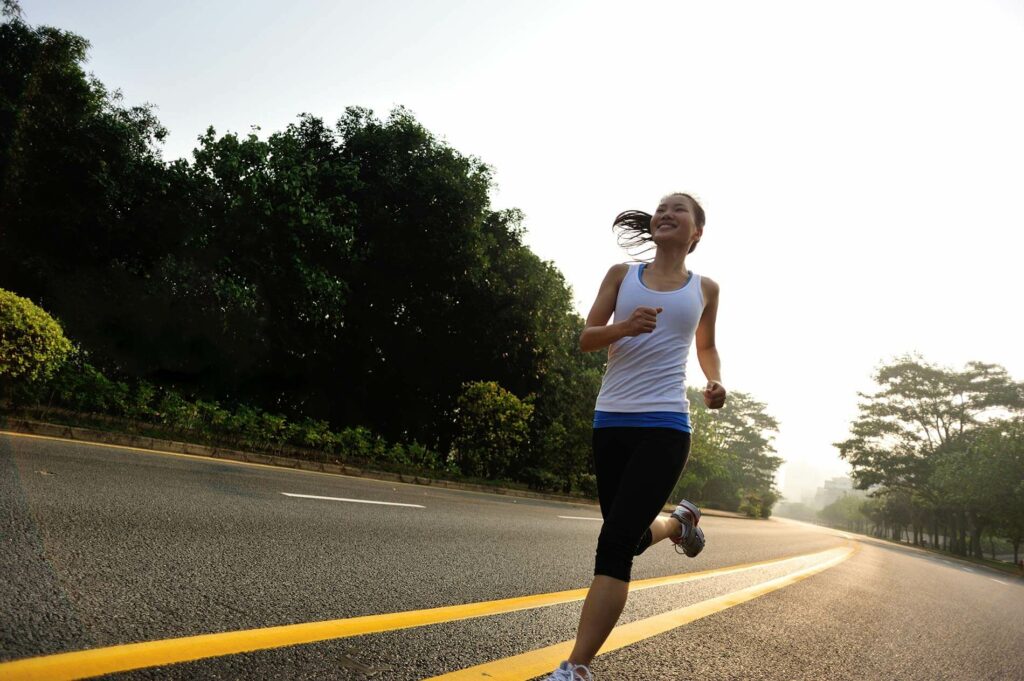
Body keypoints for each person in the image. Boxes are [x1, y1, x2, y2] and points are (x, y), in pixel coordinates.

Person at [542, 192, 726, 681]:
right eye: (661, 207)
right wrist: (624, 326)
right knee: (631, 536)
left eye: (678, 210)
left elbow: (705, 346)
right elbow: (586, 338)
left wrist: (714, 381)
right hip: (611, 420)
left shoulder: (705, 288)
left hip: (666, 424)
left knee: (615, 543)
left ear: (696, 233)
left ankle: (576, 668)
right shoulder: (622, 275)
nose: (665, 213)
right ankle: (680, 523)